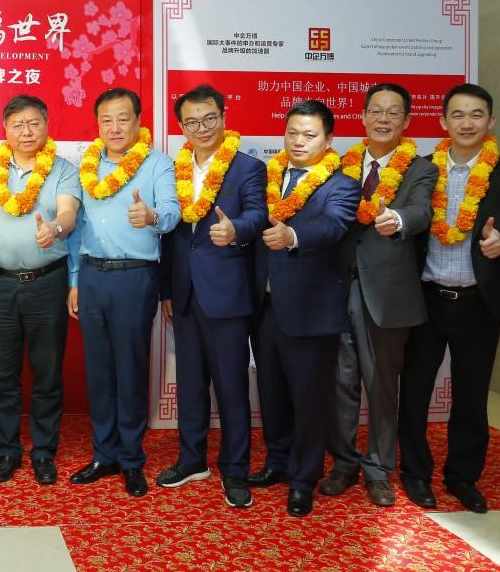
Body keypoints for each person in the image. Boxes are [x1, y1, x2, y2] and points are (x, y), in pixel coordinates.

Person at [397, 83, 500, 514]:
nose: (467, 123)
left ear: (490, 121)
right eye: (457, 114)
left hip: (477, 302)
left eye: (476, 115)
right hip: (425, 298)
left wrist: (499, 234)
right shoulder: (421, 168)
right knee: (414, 390)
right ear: (443, 121)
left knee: (471, 394)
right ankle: (415, 473)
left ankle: (463, 476)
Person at [322, 84, 438, 507]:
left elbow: (422, 210)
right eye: (376, 111)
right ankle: (344, 463)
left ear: (406, 120)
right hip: (337, 288)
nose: (383, 119)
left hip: (387, 294)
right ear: (363, 116)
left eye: (393, 112)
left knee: (382, 384)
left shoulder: (420, 169)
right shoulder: (341, 164)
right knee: (340, 381)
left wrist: (398, 219)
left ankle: (377, 468)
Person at [156, 84, 267, 509]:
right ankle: (192, 459)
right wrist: (167, 289)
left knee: (232, 387)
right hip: (184, 292)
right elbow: (172, 235)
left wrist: (236, 229)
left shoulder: (248, 168)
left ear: (223, 116)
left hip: (227, 293)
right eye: (191, 122)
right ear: (181, 126)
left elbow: (258, 214)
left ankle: (235, 470)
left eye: (209, 118)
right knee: (189, 383)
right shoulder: (174, 168)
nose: (201, 128)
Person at [65, 88, 179, 498]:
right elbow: (76, 228)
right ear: (98, 124)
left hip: (134, 277)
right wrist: (74, 280)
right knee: (99, 371)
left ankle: (131, 459)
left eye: (123, 118)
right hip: (92, 276)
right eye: (107, 120)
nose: (115, 127)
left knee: (130, 370)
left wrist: (151, 215)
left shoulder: (157, 163)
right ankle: (104, 454)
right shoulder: (87, 166)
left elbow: (172, 213)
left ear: (138, 121)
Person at [249, 100, 359, 517]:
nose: (298, 141)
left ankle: (303, 479)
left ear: (328, 140)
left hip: (312, 311)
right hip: (265, 306)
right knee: (272, 392)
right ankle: (277, 462)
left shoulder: (342, 185)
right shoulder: (268, 176)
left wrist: (292, 235)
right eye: (292, 132)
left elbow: (333, 225)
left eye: (309, 135)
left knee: (309, 399)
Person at [0, 94, 80, 485]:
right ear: (5, 130)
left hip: (47, 283)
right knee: (2, 374)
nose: (26, 131)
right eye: (17, 124)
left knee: (47, 373)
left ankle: (44, 452)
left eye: (34, 123)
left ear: (47, 125)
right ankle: (7, 450)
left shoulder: (63, 169)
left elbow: (68, 213)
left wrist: (55, 227)